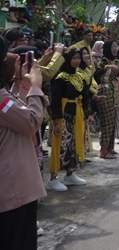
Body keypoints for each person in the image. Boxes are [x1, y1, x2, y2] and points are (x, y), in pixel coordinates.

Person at [0, 37, 48, 250]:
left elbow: (15, 111)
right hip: (13, 194)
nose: (13, 58)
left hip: (11, 192)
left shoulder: (4, 98)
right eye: (7, 53)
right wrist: (36, 88)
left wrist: (23, 86)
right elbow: (30, 122)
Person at [48, 48, 94, 192]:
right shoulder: (61, 77)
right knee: (61, 145)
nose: (77, 61)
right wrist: (56, 121)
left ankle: (70, 174)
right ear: (68, 59)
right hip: (64, 116)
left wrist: (89, 113)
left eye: (78, 58)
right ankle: (53, 178)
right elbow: (55, 100)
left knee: (74, 145)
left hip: (77, 116)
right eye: (74, 58)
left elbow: (85, 96)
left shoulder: (80, 76)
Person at [94, 40, 119, 158]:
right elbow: (96, 74)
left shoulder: (116, 61)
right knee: (107, 121)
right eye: (113, 47)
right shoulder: (102, 61)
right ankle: (103, 150)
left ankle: (110, 147)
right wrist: (107, 67)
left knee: (113, 121)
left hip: (114, 92)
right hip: (104, 91)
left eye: (116, 46)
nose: (116, 49)